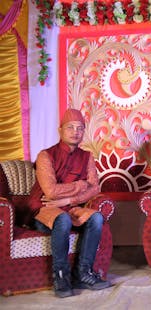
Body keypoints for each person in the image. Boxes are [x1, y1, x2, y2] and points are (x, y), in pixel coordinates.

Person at [25, 109, 111, 298]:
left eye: (80, 128)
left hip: (70, 208)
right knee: (62, 219)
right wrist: (81, 185)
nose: (75, 132)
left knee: (96, 217)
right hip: (44, 209)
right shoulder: (45, 156)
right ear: (60, 130)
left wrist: (69, 199)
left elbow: (95, 188)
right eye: (70, 127)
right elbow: (50, 191)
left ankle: (84, 273)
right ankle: (61, 275)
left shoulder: (87, 156)